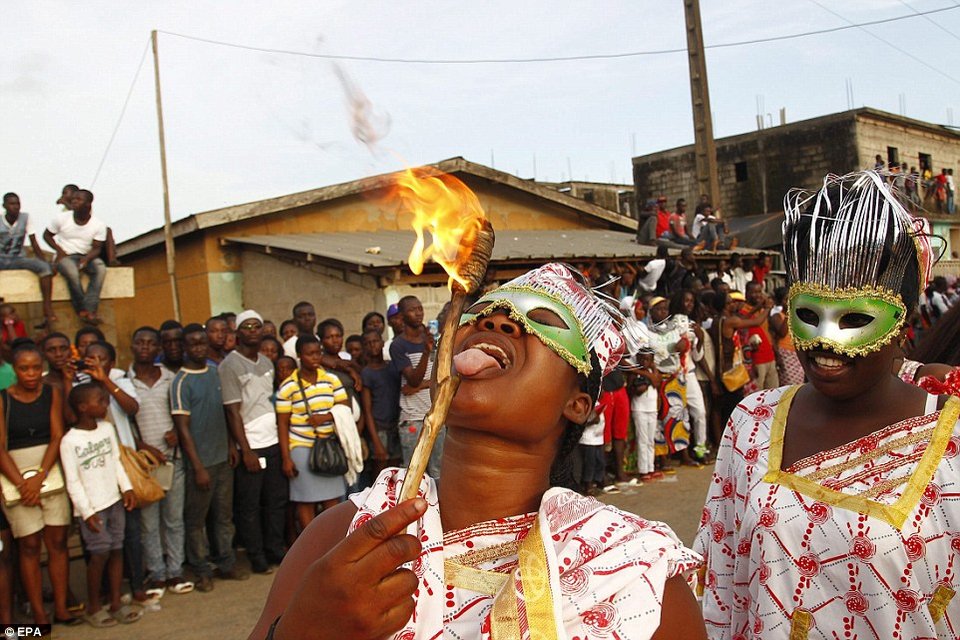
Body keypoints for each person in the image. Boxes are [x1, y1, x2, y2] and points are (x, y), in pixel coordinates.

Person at [250, 262, 706, 640]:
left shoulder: (634, 577)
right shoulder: (343, 536)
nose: (498, 320)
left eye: (544, 320)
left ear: (578, 404)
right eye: (482, 311)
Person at [696, 170, 960, 638]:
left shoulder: (951, 436)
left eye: (854, 318)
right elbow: (722, 584)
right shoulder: (753, 421)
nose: (824, 340)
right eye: (808, 314)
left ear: (903, 322)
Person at [0, 344, 76, 625]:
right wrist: (24, 485)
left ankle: (61, 609)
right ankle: (40, 616)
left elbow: (56, 435)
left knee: (58, 542)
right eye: (24, 368)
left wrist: (40, 476)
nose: (31, 374)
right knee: (29, 545)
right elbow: (0, 447)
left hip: (48, 471)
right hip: (15, 477)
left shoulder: (51, 393)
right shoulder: (3, 399)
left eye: (35, 368)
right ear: (14, 370)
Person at [170, 324, 247, 592]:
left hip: (223, 459)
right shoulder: (180, 382)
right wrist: (198, 467)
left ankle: (226, 562)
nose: (199, 348)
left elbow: (224, 414)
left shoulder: (216, 372)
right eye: (193, 344)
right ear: (185, 347)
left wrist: (231, 445)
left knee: (224, 516)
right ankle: (202, 569)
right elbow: (182, 429)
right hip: (200, 464)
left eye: (202, 343)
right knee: (197, 521)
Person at [59, 383, 140, 627]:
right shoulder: (70, 441)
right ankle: (94, 606)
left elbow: (116, 460)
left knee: (116, 549)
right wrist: (86, 512)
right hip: (93, 507)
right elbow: (73, 481)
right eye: (101, 401)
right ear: (83, 407)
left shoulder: (106, 429)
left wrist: (126, 488)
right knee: (99, 553)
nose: (106, 405)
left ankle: (115, 602)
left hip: (114, 500)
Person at [127, 327, 193, 597]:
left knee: (174, 520)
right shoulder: (124, 382)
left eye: (150, 343)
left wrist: (177, 432)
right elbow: (122, 422)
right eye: (140, 342)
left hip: (171, 461)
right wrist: (141, 446)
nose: (145, 347)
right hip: (143, 465)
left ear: (158, 349)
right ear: (132, 346)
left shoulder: (171, 378)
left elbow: (183, 414)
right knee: (149, 524)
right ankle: (156, 573)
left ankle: (175, 571)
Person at [220, 310, 287, 574]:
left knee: (275, 501)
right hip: (251, 446)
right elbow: (232, 411)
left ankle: (275, 549)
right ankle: (257, 557)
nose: (253, 331)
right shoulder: (229, 365)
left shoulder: (267, 362)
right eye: (246, 327)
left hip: (272, 441)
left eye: (257, 326)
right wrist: (245, 450)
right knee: (250, 506)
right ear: (237, 332)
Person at [276, 335, 351, 531]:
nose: (315, 357)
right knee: (305, 500)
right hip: (301, 446)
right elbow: (282, 424)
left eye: (318, 353)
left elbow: (345, 408)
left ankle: (332, 541)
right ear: (300, 356)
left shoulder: (331, 379)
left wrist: (325, 417)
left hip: (328, 445)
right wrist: (286, 458)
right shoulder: (288, 386)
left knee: (332, 499)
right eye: (310, 354)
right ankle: (310, 543)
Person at [389, 296, 442, 478]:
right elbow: (412, 379)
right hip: (413, 418)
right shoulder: (398, 345)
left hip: (436, 416)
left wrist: (421, 386)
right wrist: (426, 352)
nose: (418, 313)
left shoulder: (432, 338)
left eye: (420, 308)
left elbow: (442, 376)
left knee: (438, 472)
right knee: (414, 473)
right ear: (402, 316)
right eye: (412, 310)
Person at [42, 189, 108, 325]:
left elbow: (97, 248)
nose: (74, 201)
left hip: (86, 256)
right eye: (73, 199)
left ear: (88, 203)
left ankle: (90, 309)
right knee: (71, 271)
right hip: (65, 256)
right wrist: (59, 251)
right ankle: (82, 310)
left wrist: (86, 259)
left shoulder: (99, 225)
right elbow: (46, 235)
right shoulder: (61, 218)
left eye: (79, 199)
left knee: (101, 268)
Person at [1, 193, 55, 324]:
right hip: (1, 258)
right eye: (12, 204)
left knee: (45, 269)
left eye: (17, 203)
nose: (15, 207)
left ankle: (47, 307)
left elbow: (33, 242)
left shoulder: (25, 218)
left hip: (18, 258)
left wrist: (44, 262)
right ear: (4, 206)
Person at [359, 330, 401, 477]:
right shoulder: (367, 373)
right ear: (364, 347)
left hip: (396, 425)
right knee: (380, 472)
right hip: (379, 429)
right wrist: (376, 441)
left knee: (396, 471)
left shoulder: (393, 367)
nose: (373, 345)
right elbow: (367, 410)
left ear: (382, 343)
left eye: (375, 341)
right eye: (368, 343)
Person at [742, 281, 779, 390]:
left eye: (759, 292)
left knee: (773, 394)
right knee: (757, 395)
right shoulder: (742, 309)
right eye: (754, 292)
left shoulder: (762, 310)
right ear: (747, 293)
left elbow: (768, 331)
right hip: (756, 360)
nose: (758, 295)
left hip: (769, 356)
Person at [768, 285, 805, 385]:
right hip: (785, 354)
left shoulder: (797, 315)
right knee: (789, 384)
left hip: (796, 353)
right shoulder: (777, 316)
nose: (790, 301)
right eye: (786, 299)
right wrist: (789, 313)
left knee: (798, 385)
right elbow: (782, 332)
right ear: (780, 302)